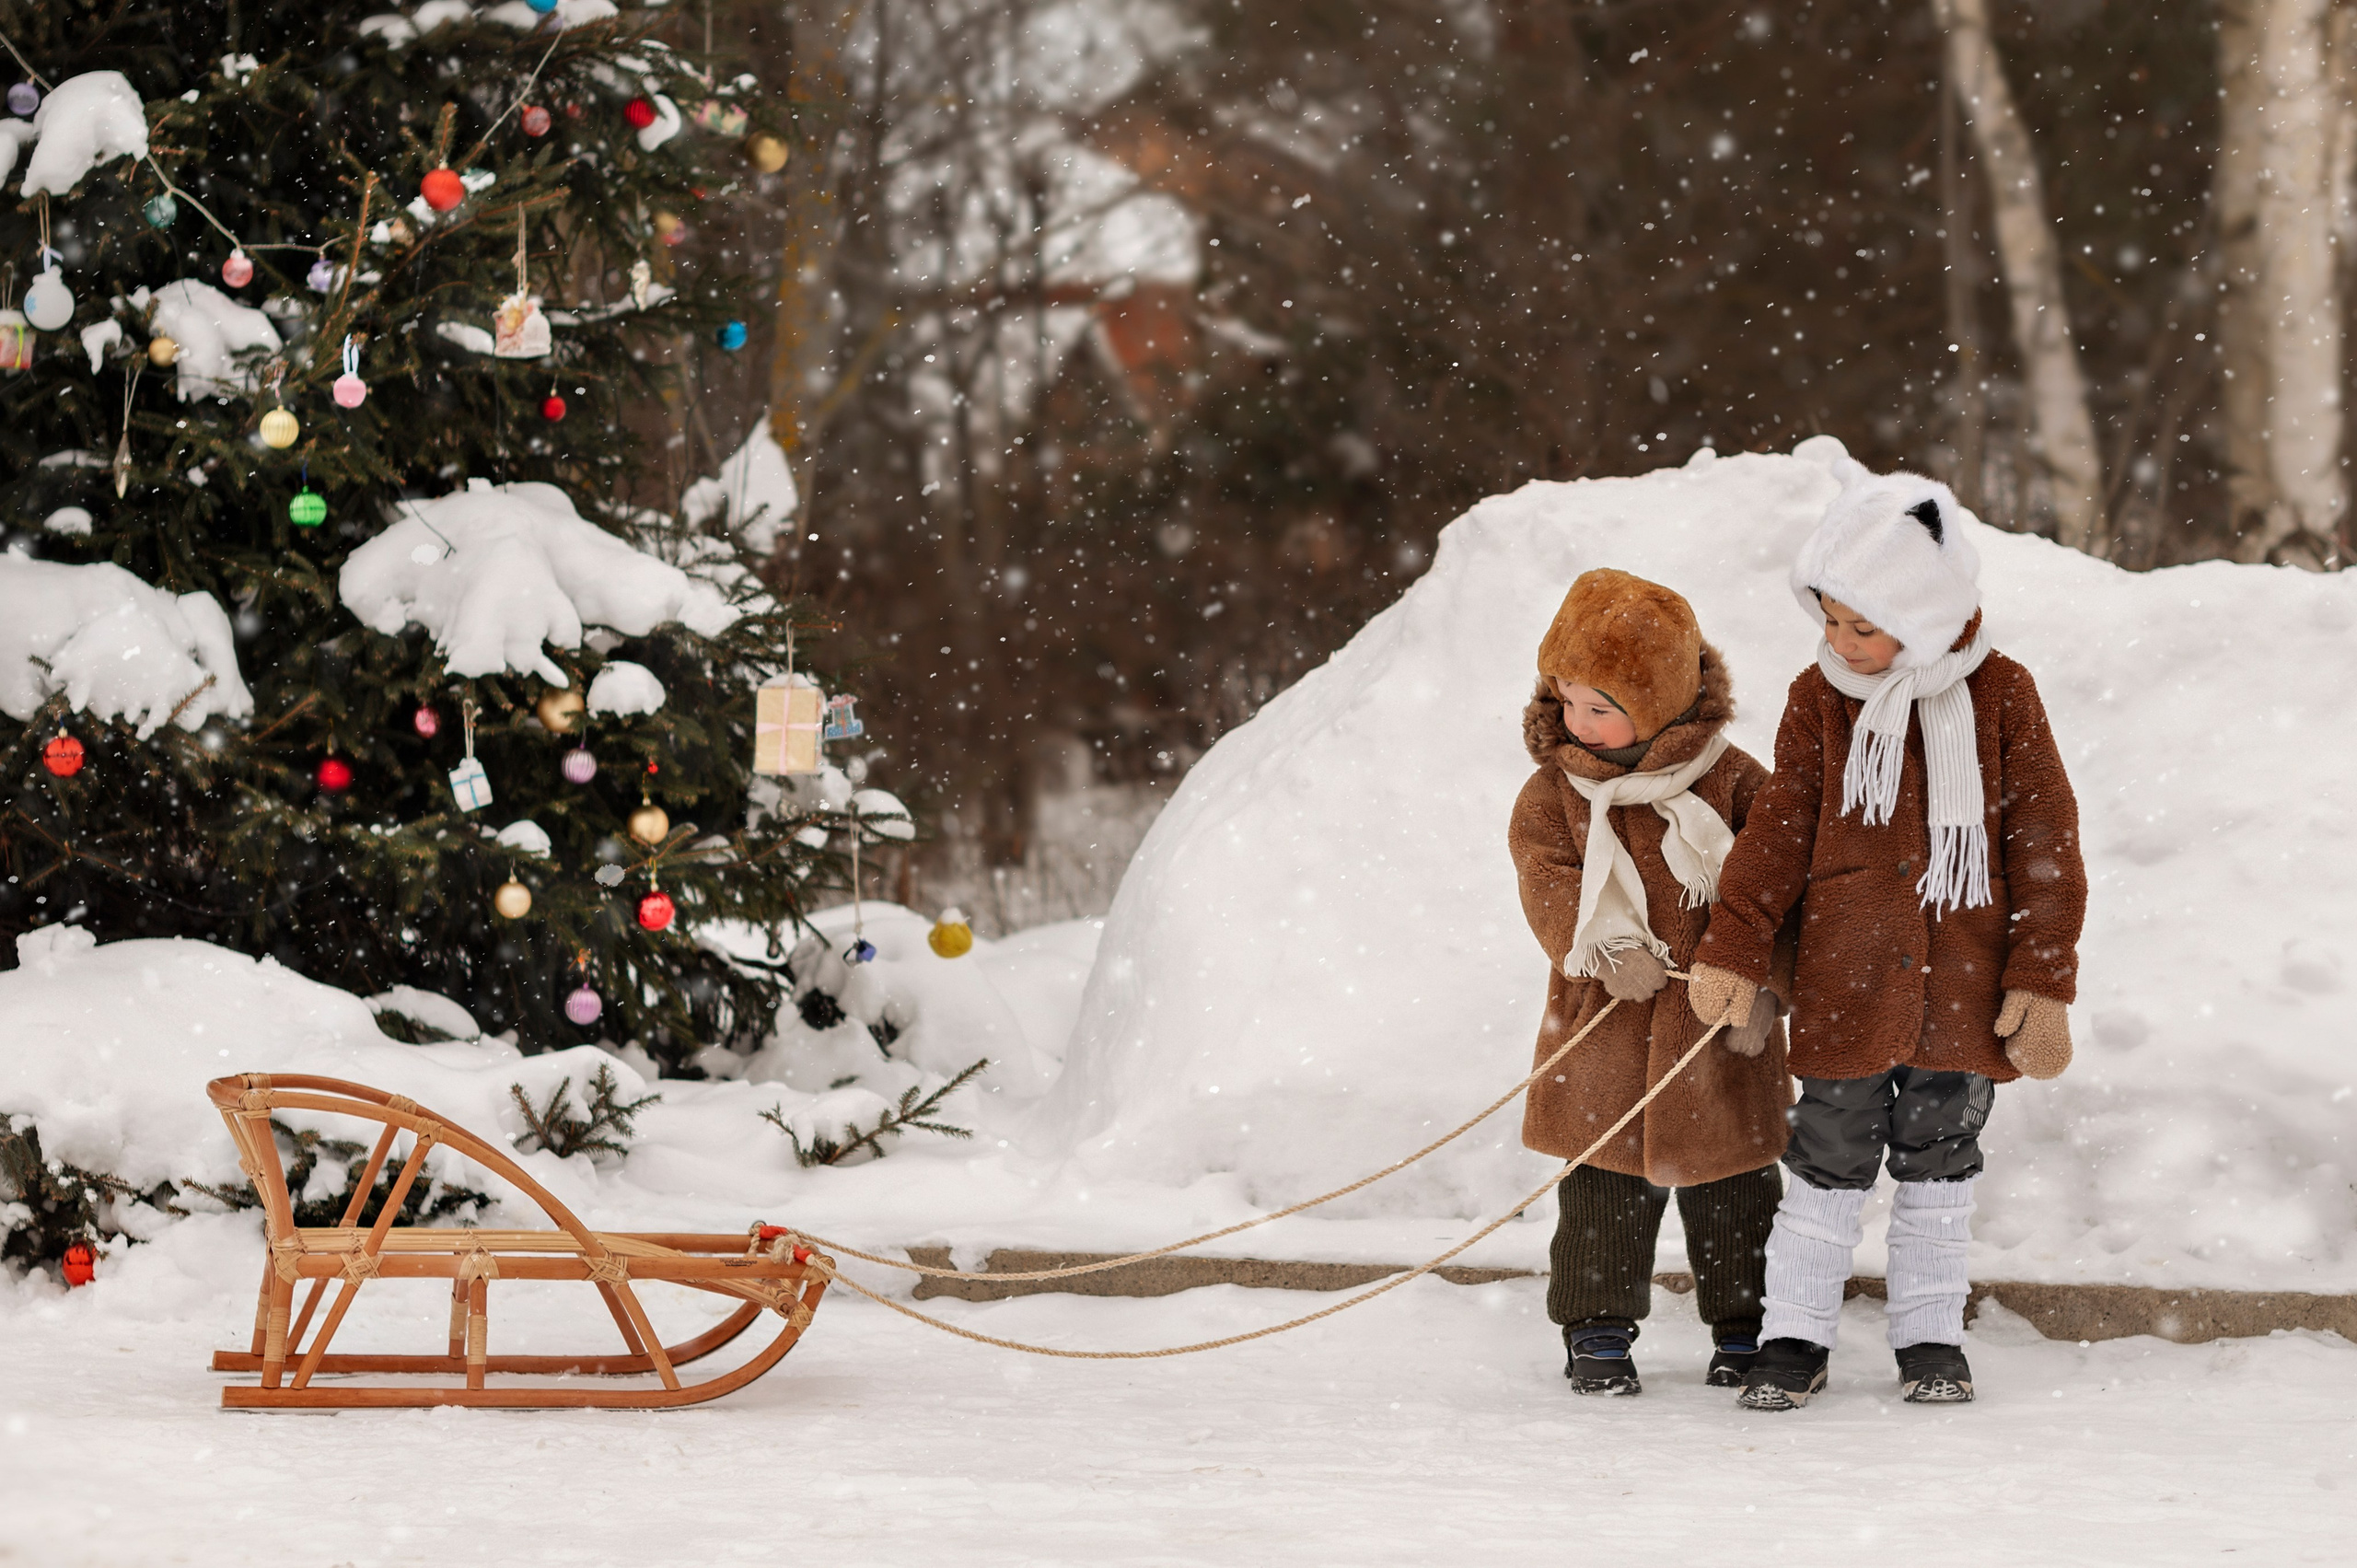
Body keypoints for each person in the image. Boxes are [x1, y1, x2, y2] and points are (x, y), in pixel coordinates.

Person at [1689, 460, 2086, 1411]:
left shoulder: (2002, 695)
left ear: (1922, 613)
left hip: (1961, 993)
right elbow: (1779, 830)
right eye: (1828, 617)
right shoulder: (1819, 699)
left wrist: (2040, 977)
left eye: (1862, 624)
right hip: (1846, 985)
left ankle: (1929, 1336)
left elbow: (2044, 839)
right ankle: (1792, 1334)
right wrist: (1735, 944)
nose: (1840, 640)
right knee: (1824, 1165)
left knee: (1939, 1169)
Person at [1508, 568, 1794, 1396]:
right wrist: (1596, 943)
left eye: (1604, 707)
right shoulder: (1554, 791)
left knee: (1736, 1183)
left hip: (1719, 1016)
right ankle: (1596, 1326)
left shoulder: (1735, 779)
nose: (1581, 724)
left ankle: (1745, 1325)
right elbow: (1546, 873)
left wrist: (1769, 986)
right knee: (1603, 1188)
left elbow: (1781, 881)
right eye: (1569, 703)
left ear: (1663, 700)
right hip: (1606, 1020)